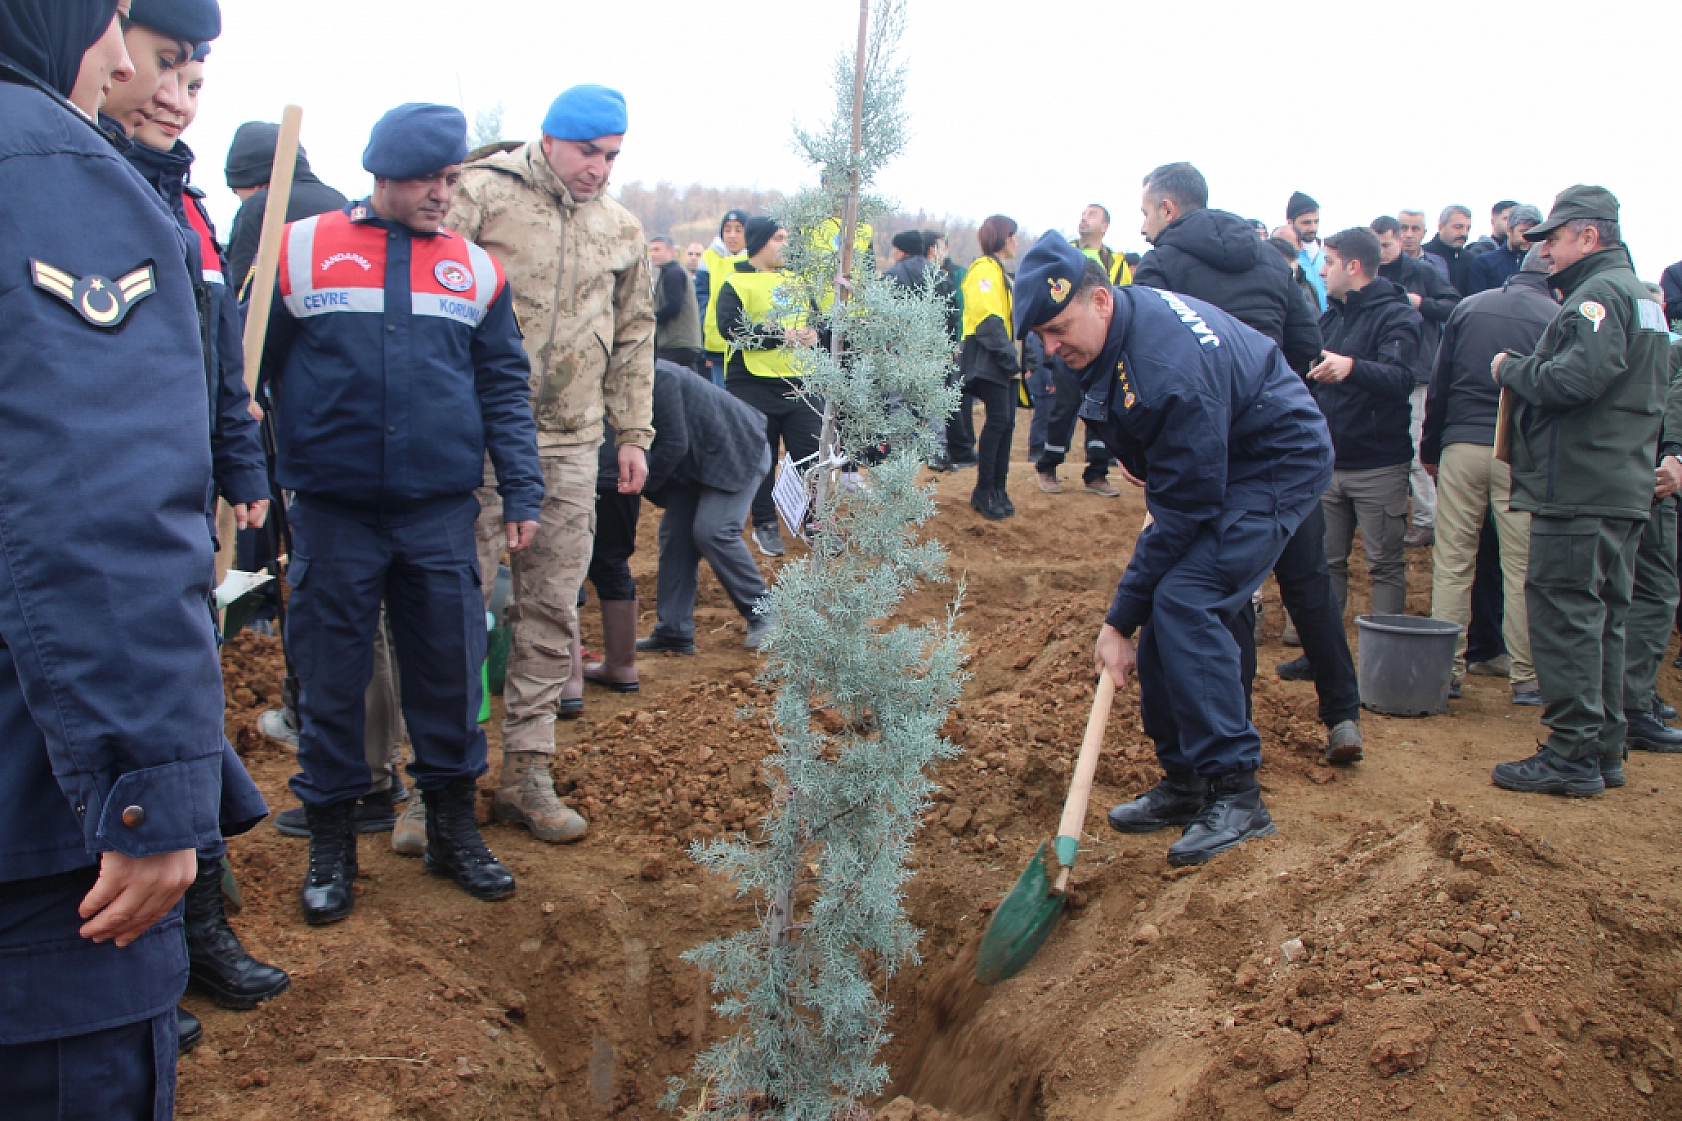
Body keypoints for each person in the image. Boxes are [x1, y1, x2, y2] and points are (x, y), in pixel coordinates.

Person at [0, 0, 264, 1107]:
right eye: (114, 22)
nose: (116, 60)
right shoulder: (48, 170)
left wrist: (241, 462)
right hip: (39, 836)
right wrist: (147, 796)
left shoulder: (164, 198)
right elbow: (90, 510)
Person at [264, 104, 546, 919]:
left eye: (451, 179)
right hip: (333, 512)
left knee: (450, 673)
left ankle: (454, 830)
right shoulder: (300, 250)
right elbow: (248, 374)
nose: (442, 194)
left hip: (438, 513)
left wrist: (521, 487)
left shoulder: (474, 271)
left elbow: (503, 385)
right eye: (427, 180)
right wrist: (249, 469)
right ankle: (331, 842)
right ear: (382, 175)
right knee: (332, 679)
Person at [1014, 238, 1333, 865]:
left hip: (1275, 459)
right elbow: (1128, 415)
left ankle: (1236, 794)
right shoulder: (1118, 329)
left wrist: (1117, 622)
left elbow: (1185, 508)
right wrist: (1145, 457)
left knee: (1188, 598)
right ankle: (1186, 780)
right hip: (1224, 446)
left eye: (1058, 330)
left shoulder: (1167, 369)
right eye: (1041, 336)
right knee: (1171, 597)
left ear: (1100, 301)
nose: (1050, 348)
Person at [119, 24, 291, 1043]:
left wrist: (242, 466)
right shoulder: (83, 185)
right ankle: (137, 964)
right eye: (161, 67)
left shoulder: (185, 207)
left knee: (185, 711)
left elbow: (223, 362)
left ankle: (198, 939)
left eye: (193, 79)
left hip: (184, 508)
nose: (176, 96)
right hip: (110, 512)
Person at [448, 83, 653, 844]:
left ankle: (527, 772)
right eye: (587, 152)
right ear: (550, 138)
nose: (599, 168)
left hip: (570, 444)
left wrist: (633, 432)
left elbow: (635, 334)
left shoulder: (620, 229)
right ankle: (437, 780)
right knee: (452, 608)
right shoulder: (481, 197)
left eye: (612, 156)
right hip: (474, 442)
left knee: (552, 608)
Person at [1134, 162, 1361, 762]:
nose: (1144, 226)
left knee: (1220, 586)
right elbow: (1307, 347)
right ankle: (1342, 715)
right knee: (1308, 580)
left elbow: (1150, 358)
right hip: (1282, 436)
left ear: (1167, 209)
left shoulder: (1159, 267)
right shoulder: (1269, 258)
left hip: (1209, 446)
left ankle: (1234, 727)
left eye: (1146, 212)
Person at [1489, 186, 1671, 797]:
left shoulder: (1598, 297)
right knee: (1605, 620)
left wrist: (1512, 368)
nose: (1546, 253)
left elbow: (1575, 379)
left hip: (1578, 487)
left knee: (1565, 615)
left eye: (1555, 240)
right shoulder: (1643, 298)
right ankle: (1603, 748)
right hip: (1621, 485)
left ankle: (1571, 752)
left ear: (1588, 236)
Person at [1420, 246, 1553, 705]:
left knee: (1453, 561)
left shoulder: (1469, 307)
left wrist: (1431, 448)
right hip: (1519, 452)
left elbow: (1439, 384)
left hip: (1461, 444)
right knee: (1521, 567)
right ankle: (1527, 678)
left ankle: (1446, 672)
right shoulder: (1556, 316)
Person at [1312, 227, 1422, 619]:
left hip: (1379, 465)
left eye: (1329, 262)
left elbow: (1401, 378)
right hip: (1329, 465)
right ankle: (1322, 646)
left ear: (1353, 266)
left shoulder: (1397, 316)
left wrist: (1352, 368)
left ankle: (1386, 647)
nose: (1322, 271)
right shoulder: (1330, 319)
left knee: (1384, 564)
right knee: (1326, 562)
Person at [635, 360, 775, 654]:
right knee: (676, 537)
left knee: (714, 530)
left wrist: (638, 485)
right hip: (695, 462)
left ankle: (765, 614)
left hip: (737, 449)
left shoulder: (658, 376)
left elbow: (673, 443)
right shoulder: (625, 383)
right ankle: (673, 631)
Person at [714, 216, 822, 557]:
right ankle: (765, 525)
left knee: (811, 457)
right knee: (762, 459)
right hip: (752, 384)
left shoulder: (799, 281)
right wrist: (781, 335)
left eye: (787, 237)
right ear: (760, 241)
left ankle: (814, 523)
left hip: (800, 383)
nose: (785, 245)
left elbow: (817, 321)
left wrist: (814, 334)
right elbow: (730, 329)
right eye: (778, 238)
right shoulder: (736, 282)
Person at [1372, 215, 1462, 548]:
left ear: (1398, 240)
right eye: (1377, 245)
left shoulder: (1423, 272)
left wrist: (1420, 302)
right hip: (1382, 370)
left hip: (1418, 371)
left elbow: (1455, 306)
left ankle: (1427, 520)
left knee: (1415, 450)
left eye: (1386, 245)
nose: (1381, 251)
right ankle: (1393, 515)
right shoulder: (1370, 273)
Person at [1621, 336, 1682, 752]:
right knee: (1655, 590)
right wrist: (1675, 453)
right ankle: (1632, 704)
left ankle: (1631, 696)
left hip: (1633, 465)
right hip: (1654, 476)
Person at [224, 121, 350, 298]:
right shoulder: (340, 203)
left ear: (253, 182)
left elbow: (239, 287)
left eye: (236, 192)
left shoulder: (261, 206)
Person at [957, 216, 1023, 519]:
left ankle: (998, 488)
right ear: (1002, 237)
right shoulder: (984, 269)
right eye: (1013, 236)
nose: (1016, 242)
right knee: (998, 422)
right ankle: (984, 490)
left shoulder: (999, 271)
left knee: (1006, 423)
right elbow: (987, 319)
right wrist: (1008, 358)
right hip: (989, 355)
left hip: (1001, 354)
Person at [697, 209, 749, 387]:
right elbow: (701, 295)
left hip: (748, 340)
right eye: (727, 230)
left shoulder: (756, 258)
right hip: (716, 338)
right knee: (719, 392)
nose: (732, 235)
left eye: (738, 230)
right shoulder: (709, 257)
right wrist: (705, 320)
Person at [650, 234, 702, 373]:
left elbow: (673, 306)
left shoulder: (673, 274)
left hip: (676, 344)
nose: (653, 254)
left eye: (657, 250)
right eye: (651, 250)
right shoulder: (669, 272)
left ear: (670, 251)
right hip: (681, 344)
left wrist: (650, 319)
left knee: (667, 381)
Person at [1466, 204, 1543, 296]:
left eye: (1534, 233)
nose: (1528, 238)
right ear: (1509, 230)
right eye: (1523, 232)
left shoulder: (1545, 264)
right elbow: (1475, 300)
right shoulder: (1484, 263)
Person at [1072, 203, 1133, 284]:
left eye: (1091, 215)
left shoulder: (1118, 265)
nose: (1083, 218)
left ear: (1104, 227)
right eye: (1083, 214)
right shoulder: (1064, 252)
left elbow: (1124, 290)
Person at [1425, 204, 1477, 295]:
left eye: (1468, 228)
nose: (1464, 233)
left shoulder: (1470, 259)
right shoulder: (1424, 255)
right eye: (1458, 227)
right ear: (1441, 227)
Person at [1287, 191, 1326, 310]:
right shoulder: (1287, 258)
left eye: (1316, 221)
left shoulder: (1328, 255)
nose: (1313, 227)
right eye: (1306, 223)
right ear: (1290, 223)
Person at [1398, 209, 1449, 283]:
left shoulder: (1438, 263)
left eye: (1415, 229)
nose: (1409, 235)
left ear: (1424, 233)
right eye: (1404, 228)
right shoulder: (1386, 261)